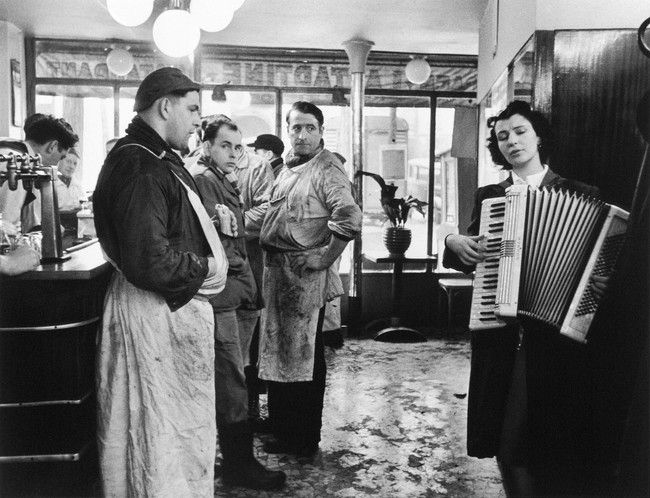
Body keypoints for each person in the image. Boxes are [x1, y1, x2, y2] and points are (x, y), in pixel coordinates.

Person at [443, 100, 603, 497]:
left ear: (538, 137)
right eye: (502, 136)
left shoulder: (580, 194)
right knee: (503, 436)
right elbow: (468, 256)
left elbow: (601, 263)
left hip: (557, 339)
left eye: (519, 131)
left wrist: (602, 281)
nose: (511, 141)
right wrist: (454, 240)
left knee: (549, 442)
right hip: (501, 333)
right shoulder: (490, 196)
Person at [93, 67, 229, 497]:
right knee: (158, 433)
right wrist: (204, 267)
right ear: (164, 106)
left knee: (165, 433)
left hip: (160, 310)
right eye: (191, 110)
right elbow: (148, 260)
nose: (197, 121)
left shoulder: (150, 156)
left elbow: (159, 234)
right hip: (151, 313)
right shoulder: (140, 164)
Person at [258, 101, 362, 462]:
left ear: (320, 132)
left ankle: (302, 439)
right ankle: (283, 429)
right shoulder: (289, 168)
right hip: (279, 276)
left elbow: (348, 217)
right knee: (281, 355)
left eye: (309, 128)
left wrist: (325, 256)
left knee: (304, 358)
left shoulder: (326, 166)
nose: (301, 135)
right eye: (295, 128)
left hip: (304, 276)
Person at [191, 117, 286, 491]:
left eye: (237, 146)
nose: (232, 153)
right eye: (224, 146)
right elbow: (220, 243)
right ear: (206, 145)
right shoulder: (204, 180)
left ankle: (235, 460)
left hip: (232, 291)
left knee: (236, 375)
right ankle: (239, 465)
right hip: (221, 294)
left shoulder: (220, 178)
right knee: (231, 380)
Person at [0, 114, 79, 232]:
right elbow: (7, 223)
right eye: (61, 157)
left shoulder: (8, 149)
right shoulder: (20, 163)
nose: (58, 163)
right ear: (53, 146)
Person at [55, 147, 87, 212]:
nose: (72, 167)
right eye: (68, 161)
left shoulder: (76, 185)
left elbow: (83, 203)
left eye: (75, 164)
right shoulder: (50, 183)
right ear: (59, 161)